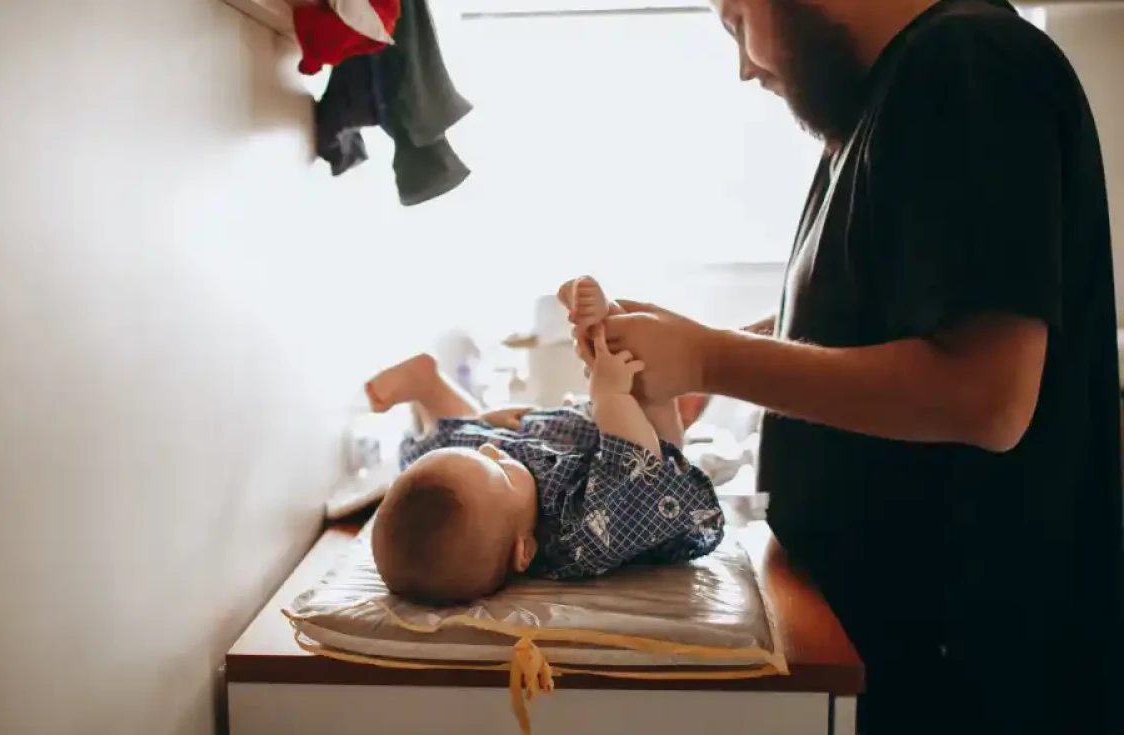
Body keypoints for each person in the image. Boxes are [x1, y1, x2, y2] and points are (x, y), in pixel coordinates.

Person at [592, 1, 1124, 733]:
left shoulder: (967, 64)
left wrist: (712, 356)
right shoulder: (892, 98)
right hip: (906, 654)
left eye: (736, 19)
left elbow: (986, 397)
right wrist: (694, 357)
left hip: (972, 678)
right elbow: (859, 322)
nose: (745, 64)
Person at [365, 277, 723, 607]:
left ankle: (429, 386)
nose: (492, 451)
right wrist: (611, 393)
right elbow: (637, 466)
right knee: (654, 418)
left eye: (485, 451)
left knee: (444, 451)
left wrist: (488, 425)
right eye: (499, 469)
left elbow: (477, 458)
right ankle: (611, 333)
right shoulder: (578, 536)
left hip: (555, 438)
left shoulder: (498, 502)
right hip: (637, 450)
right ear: (525, 551)